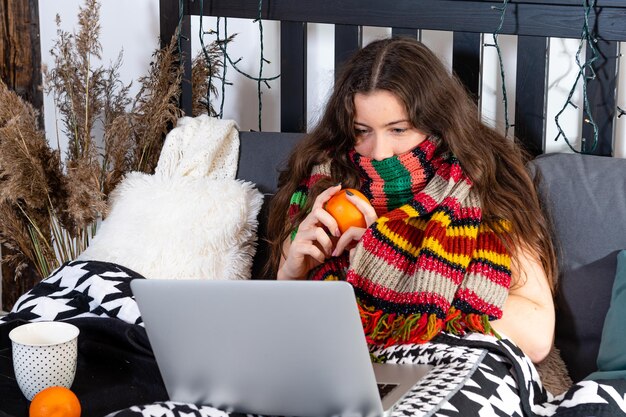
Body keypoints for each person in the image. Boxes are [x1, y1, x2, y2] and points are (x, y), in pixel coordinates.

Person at [266, 37, 556, 365]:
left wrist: (397, 270)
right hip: (335, 369)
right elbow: (287, 335)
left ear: (436, 121)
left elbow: (536, 334)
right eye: (362, 131)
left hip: (455, 370)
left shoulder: (484, 182)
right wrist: (290, 276)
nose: (379, 152)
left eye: (398, 130)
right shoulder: (321, 184)